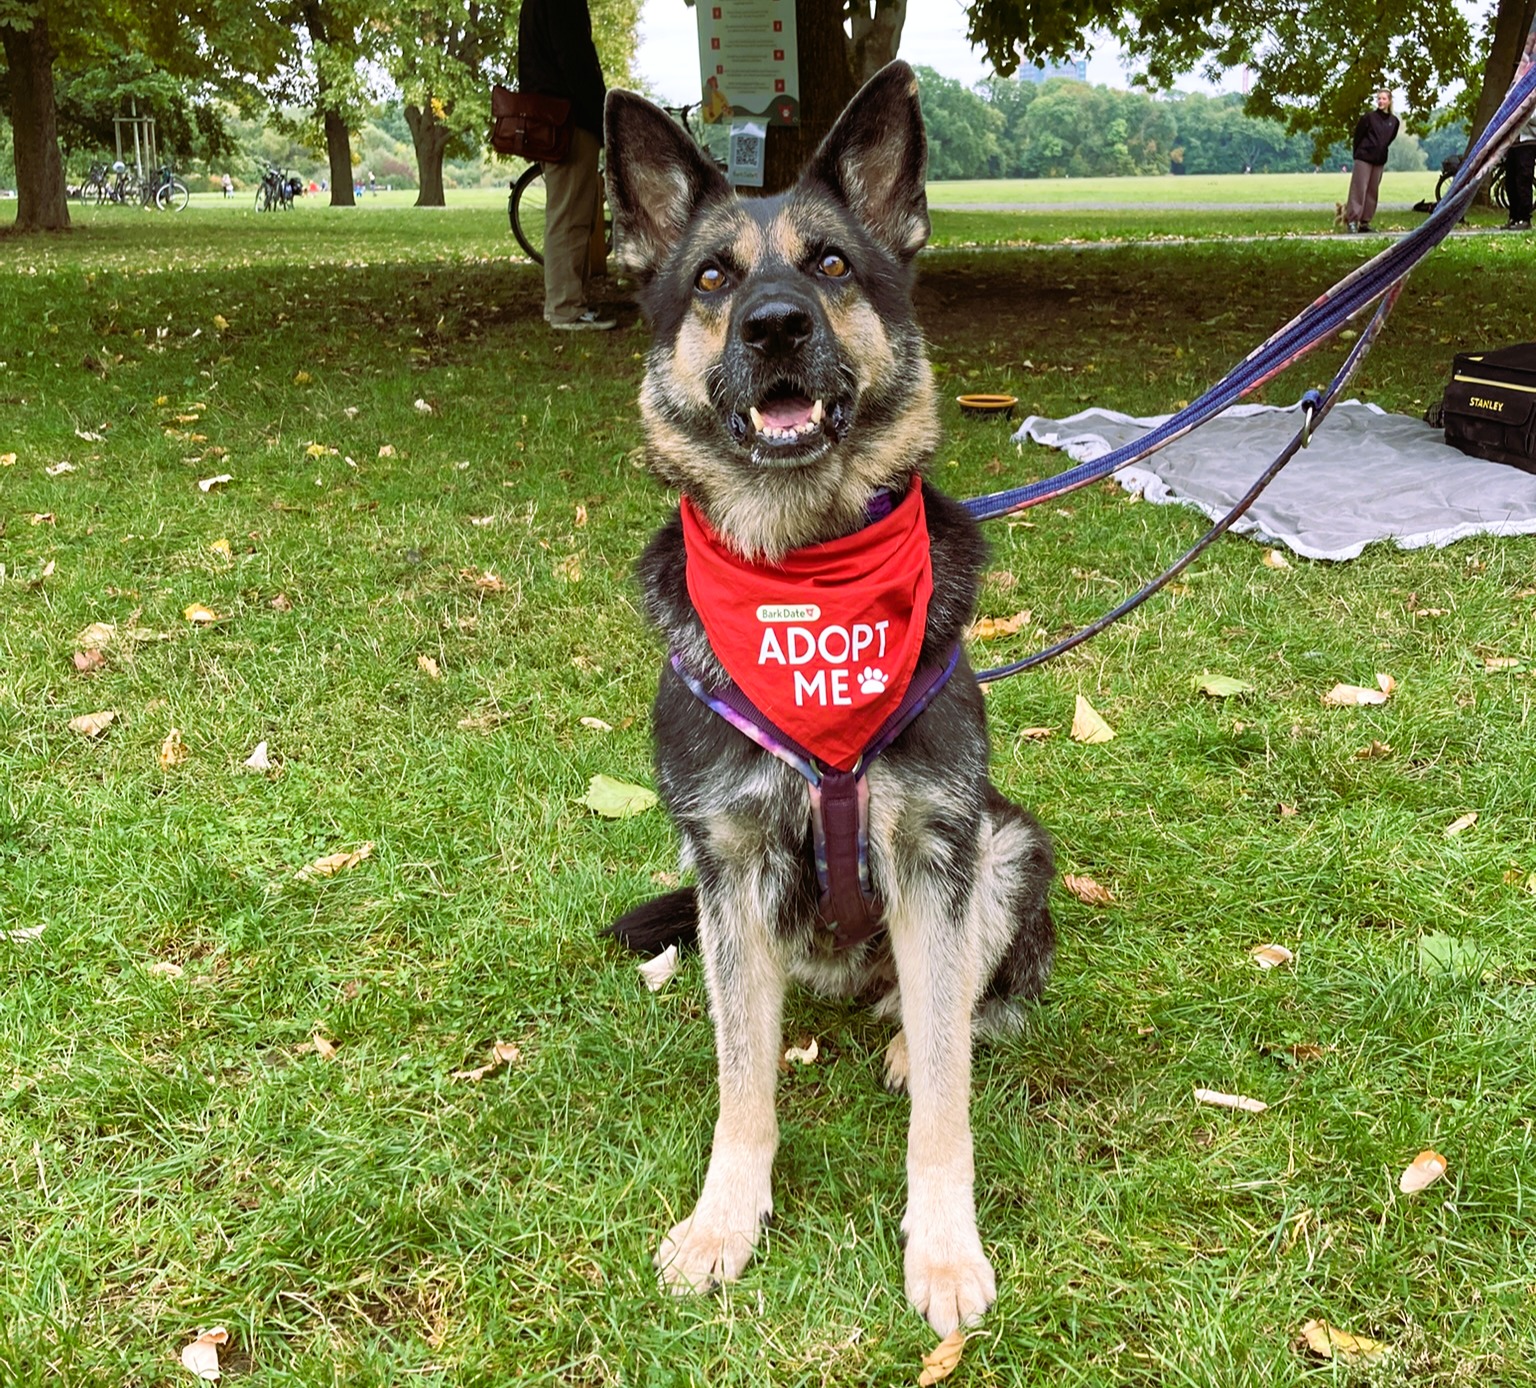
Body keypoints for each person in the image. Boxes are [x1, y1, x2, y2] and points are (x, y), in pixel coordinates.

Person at [518, 0, 615, 331]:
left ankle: (567, 303)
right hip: (570, 122)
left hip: (555, 121)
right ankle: (565, 308)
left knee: (570, 215)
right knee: (569, 218)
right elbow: (577, 62)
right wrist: (605, 117)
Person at [1344, 89, 1399, 233]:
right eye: (1379, 99)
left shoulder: (1394, 122)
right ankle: (1352, 220)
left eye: (1384, 99)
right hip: (1364, 157)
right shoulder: (1368, 118)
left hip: (1379, 160)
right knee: (1359, 189)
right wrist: (1357, 153)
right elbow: (1358, 136)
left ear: (1389, 101)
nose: (1381, 101)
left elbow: (1389, 139)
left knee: (1372, 191)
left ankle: (1365, 222)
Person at [1503, 111, 1536, 231]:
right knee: (1510, 182)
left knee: (1523, 180)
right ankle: (1514, 217)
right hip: (1512, 143)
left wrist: (1521, 113)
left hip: (1528, 142)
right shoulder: (1512, 92)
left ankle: (1524, 218)